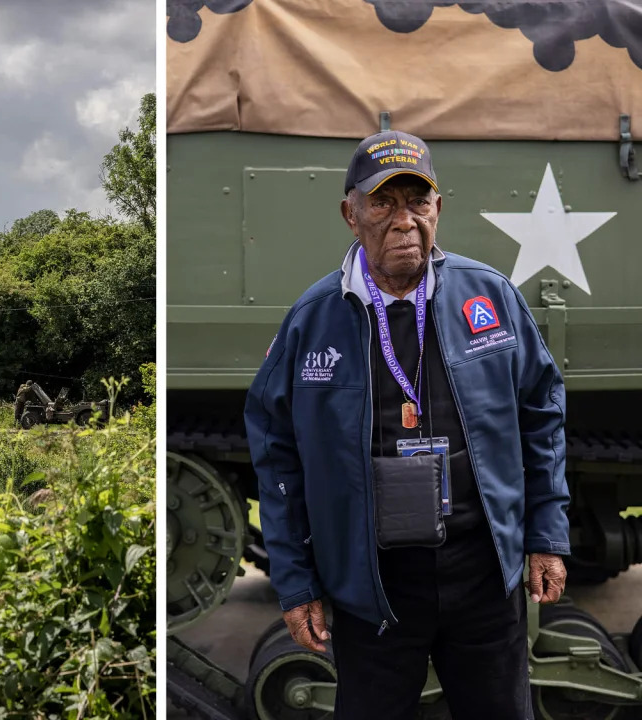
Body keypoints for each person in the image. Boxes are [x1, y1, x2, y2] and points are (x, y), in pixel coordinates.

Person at [244, 130, 569, 720]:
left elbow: (541, 414)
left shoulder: (490, 297)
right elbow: (276, 452)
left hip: (482, 573)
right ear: (351, 214)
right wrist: (295, 581)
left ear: (438, 209)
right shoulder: (313, 320)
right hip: (374, 585)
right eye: (383, 202)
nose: (404, 220)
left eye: (418, 201)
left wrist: (546, 536)